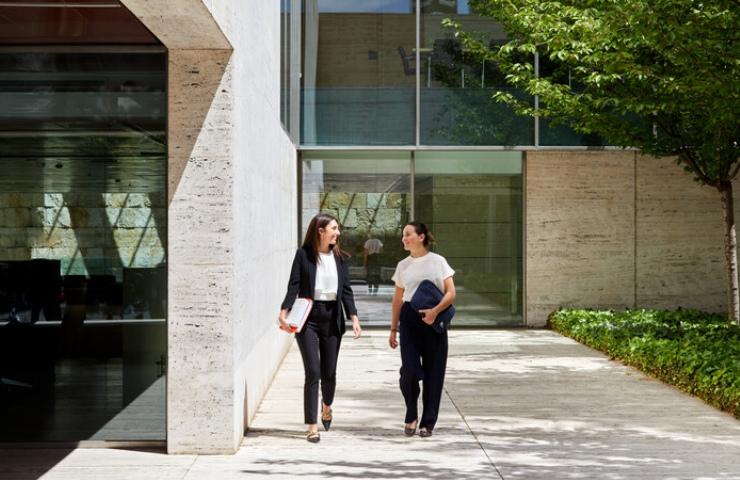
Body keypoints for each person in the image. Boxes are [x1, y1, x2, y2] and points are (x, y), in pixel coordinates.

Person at [279, 213, 362, 443]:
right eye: (334, 228)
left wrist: (353, 316)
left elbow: (346, 290)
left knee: (329, 373)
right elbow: (293, 285)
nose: (338, 232)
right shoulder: (303, 255)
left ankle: (327, 406)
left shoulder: (341, 258)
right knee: (313, 372)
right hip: (308, 318)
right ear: (320, 230)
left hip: (332, 318)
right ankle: (312, 426)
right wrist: (283, 312)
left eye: (338, 229)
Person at [388, 222, 455, 438]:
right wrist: (392, 328)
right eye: (403, 235)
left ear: (421, 237)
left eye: (408, 234)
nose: (404, 238)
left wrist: (435, 311)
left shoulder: (438, 261)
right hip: (410, 318)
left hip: (434, 321)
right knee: (409, 371)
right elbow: (398, 299)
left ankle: (428, 422)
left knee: (434, 373)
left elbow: (451, 293)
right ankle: (411, 411)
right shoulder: (403, 265)